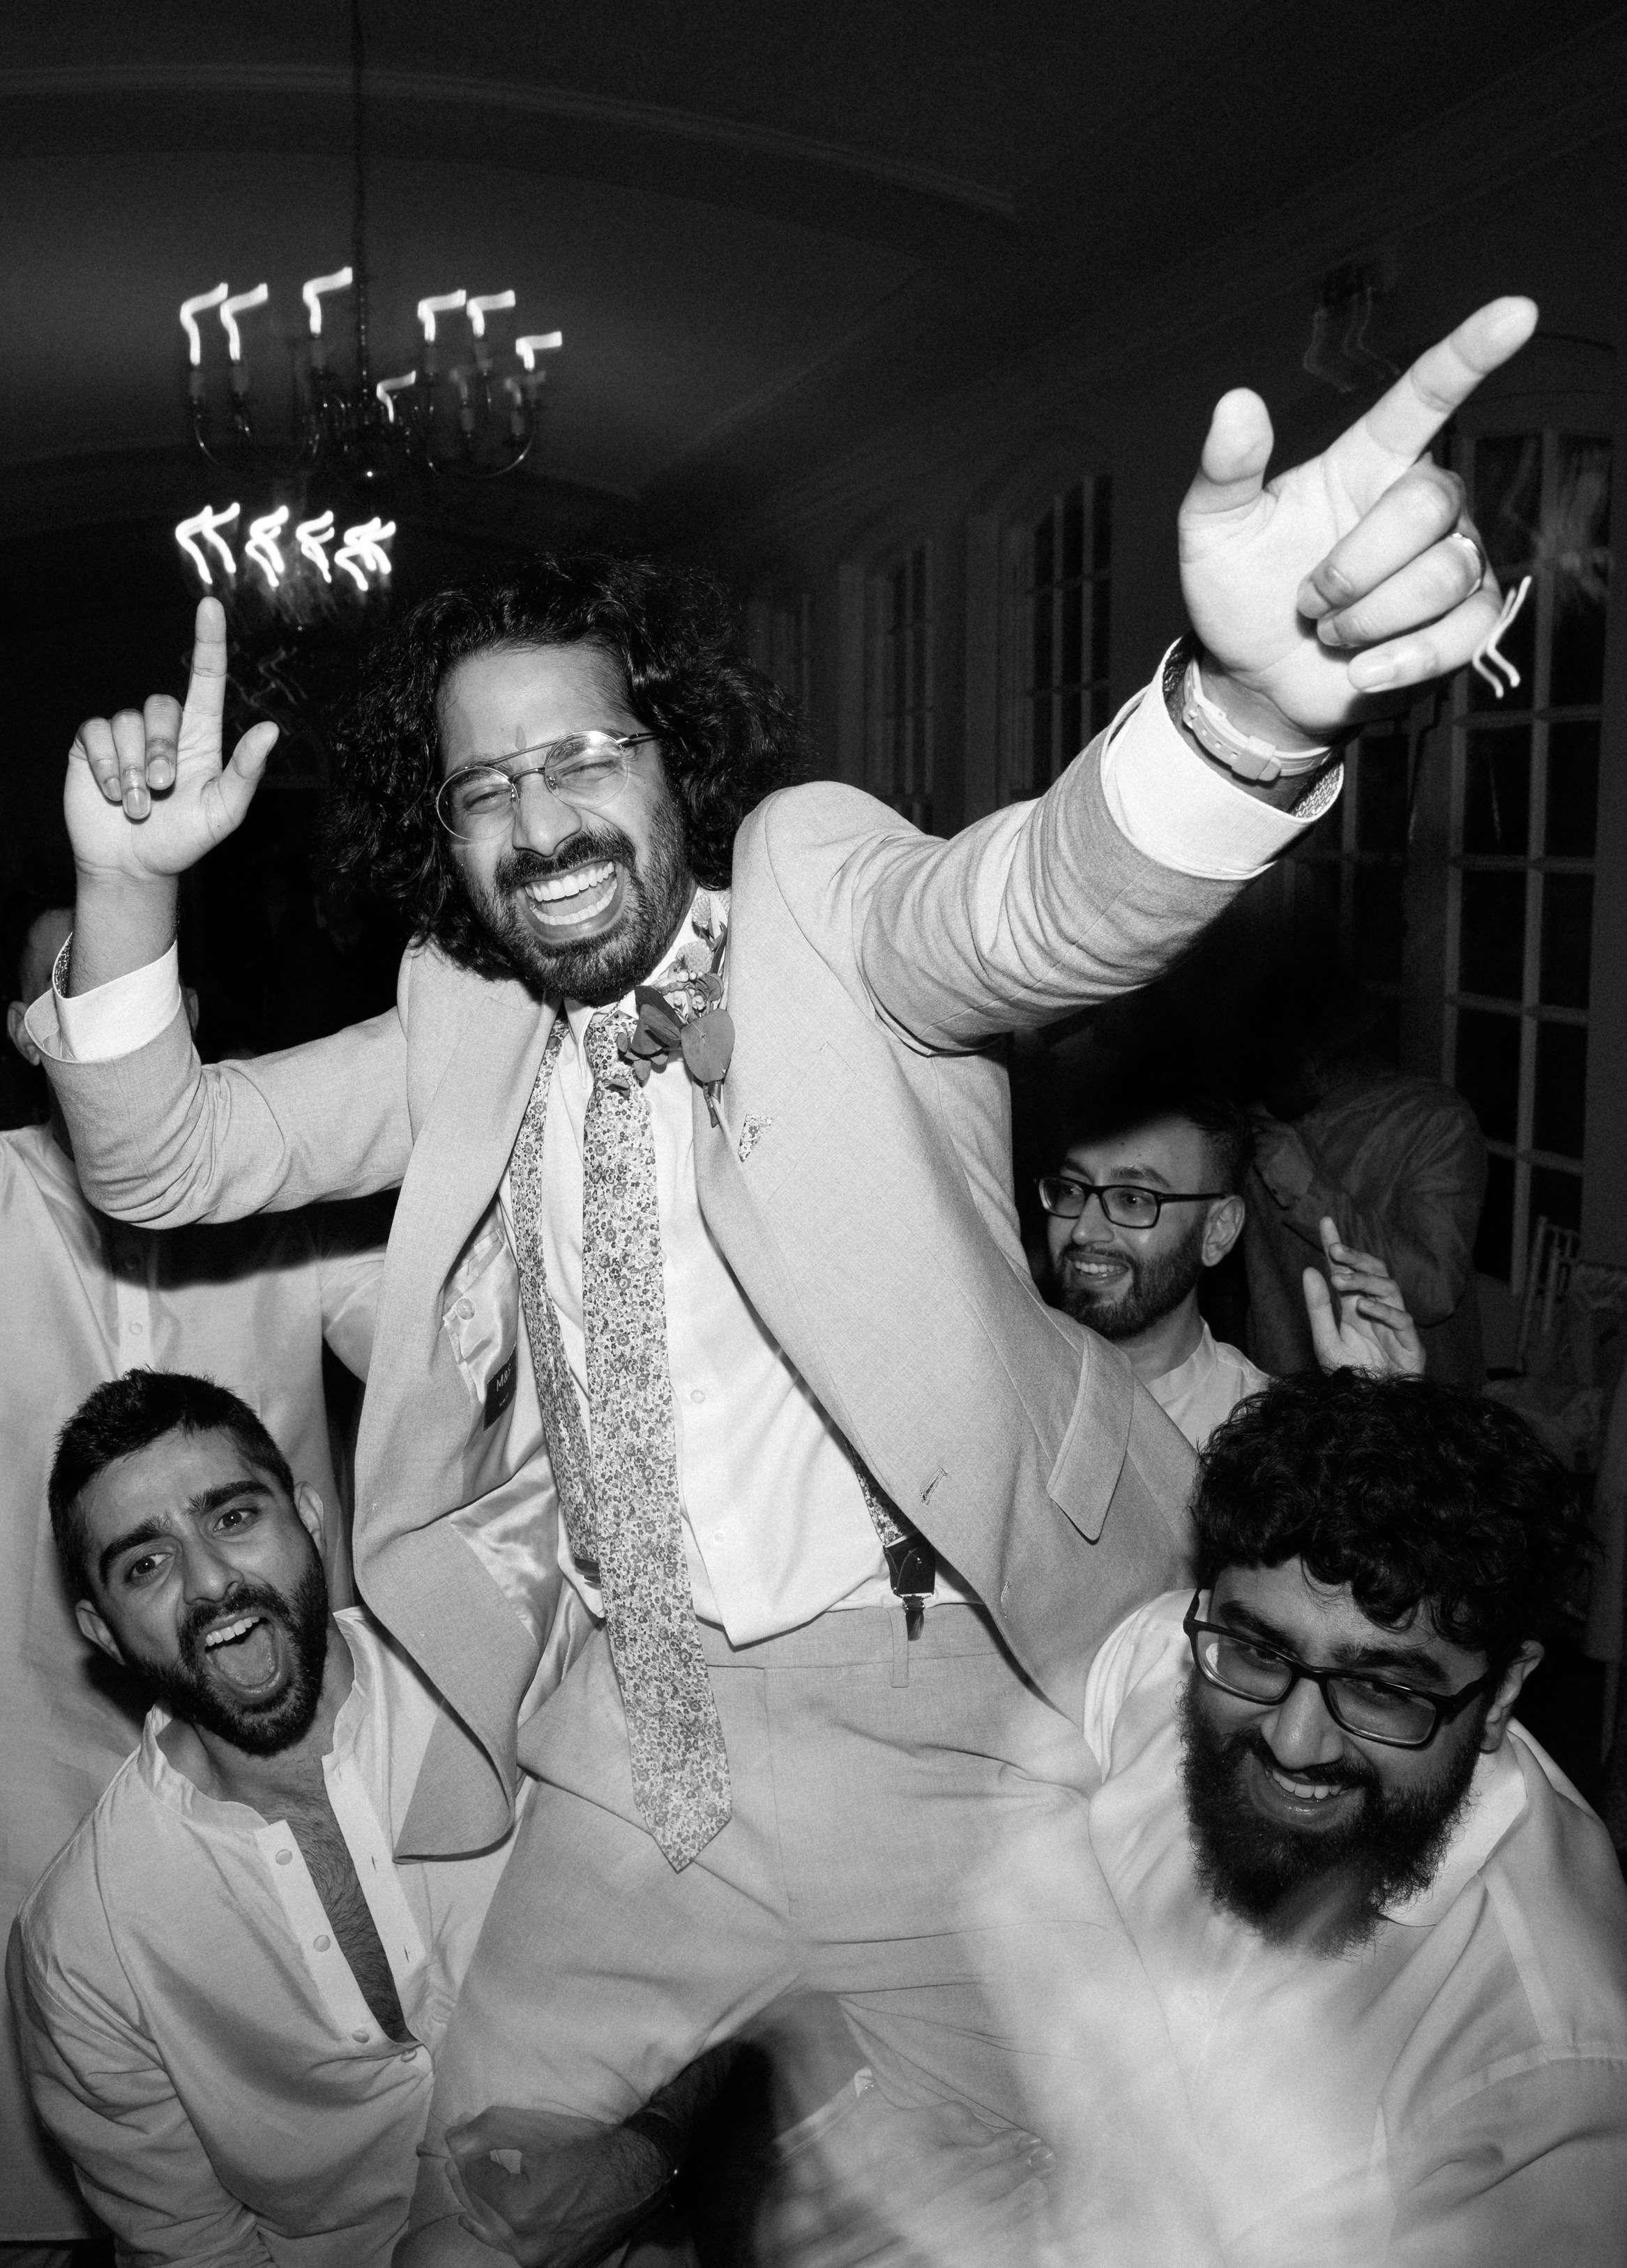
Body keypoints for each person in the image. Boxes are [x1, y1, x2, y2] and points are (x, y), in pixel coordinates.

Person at [28, 299, 1538, 2262]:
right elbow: (162, 1156)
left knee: (1036, 2228)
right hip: (617, 1738)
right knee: (464, 2228)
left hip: (930, 1718)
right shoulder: (463, 1018)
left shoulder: (821, 903)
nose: (538, 820)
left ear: (674, 758)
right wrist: (127, 881)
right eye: (483, 789)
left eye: (582, 755)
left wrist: (1244, 719)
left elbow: (1028, 908)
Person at [0, 908, 392, 2265]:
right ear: (28, 1032)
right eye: (67, 990)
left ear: (183, 1016)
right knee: (94, 2111)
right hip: (41, 1760)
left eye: (130, 987)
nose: (97, 1012)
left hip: (308, 1723)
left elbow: (444, 1358)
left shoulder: (283, 1181)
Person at [8, 1371, 563, 2268]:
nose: (211, 1581)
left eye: (233, 1517)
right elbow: (189, 2247)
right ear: (103, 1631)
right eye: (146, 1564)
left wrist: (644, 2158)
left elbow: (699, 1945)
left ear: (309, 1516)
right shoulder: (81, 1947)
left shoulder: (503, 1675)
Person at [1077, 1369, 1627, 2265]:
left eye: (1379, 1690)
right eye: (1260, 1652)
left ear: (1500, 1694)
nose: (1293, 1741)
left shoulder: (1540, 2073)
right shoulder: (1167, 1664)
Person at [1040, 1079, 1423, 1446]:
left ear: (1218, 1231)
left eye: (1133, 1199)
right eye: (1072, 1190)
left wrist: (1375, 1433)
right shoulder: (1012, 1382)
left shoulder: (1265, 1438)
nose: (1084, 1231)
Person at [1241, 948, 1488, 1385]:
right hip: (1289, 1399)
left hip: (1414, 1405)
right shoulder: (1260, 1124)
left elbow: (1435, 1290)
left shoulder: (1434, 1121)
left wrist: (1310, 1192)